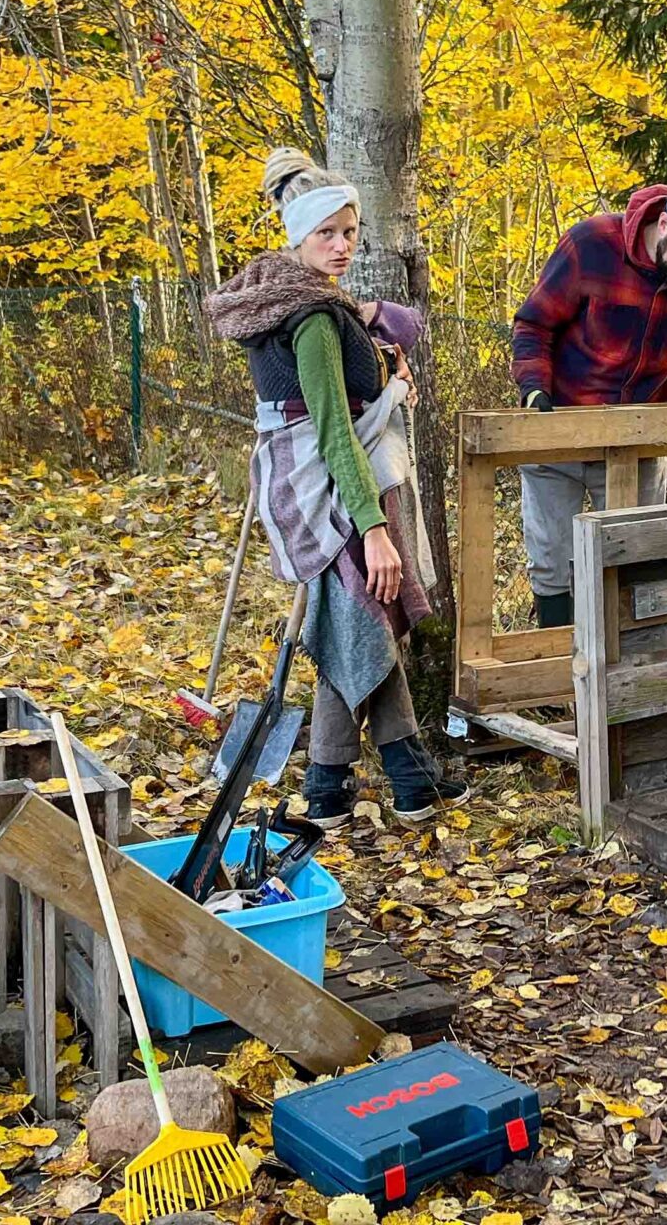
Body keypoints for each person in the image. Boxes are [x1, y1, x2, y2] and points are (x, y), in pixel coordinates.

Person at [209, 148, 467, 827]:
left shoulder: (297, 299)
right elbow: (330, 429)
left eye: (350, 232)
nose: (342, 245)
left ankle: (346, 786)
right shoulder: (313, 318)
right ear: (299, 234)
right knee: (363, 622)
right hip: (336, 490)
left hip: (316, 485)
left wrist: (386, 376)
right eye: (327, 232)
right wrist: (374, 530)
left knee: (355, 622)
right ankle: (385, 781)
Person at [509, 183, 667, 626]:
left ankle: (629, 658)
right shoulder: (591, 245)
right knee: (552, 557)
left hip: (641, 432)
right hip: (561, 422)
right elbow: (533, 324)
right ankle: (557, 656)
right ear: (665, 224)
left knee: (637, 554)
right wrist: (534, 388)